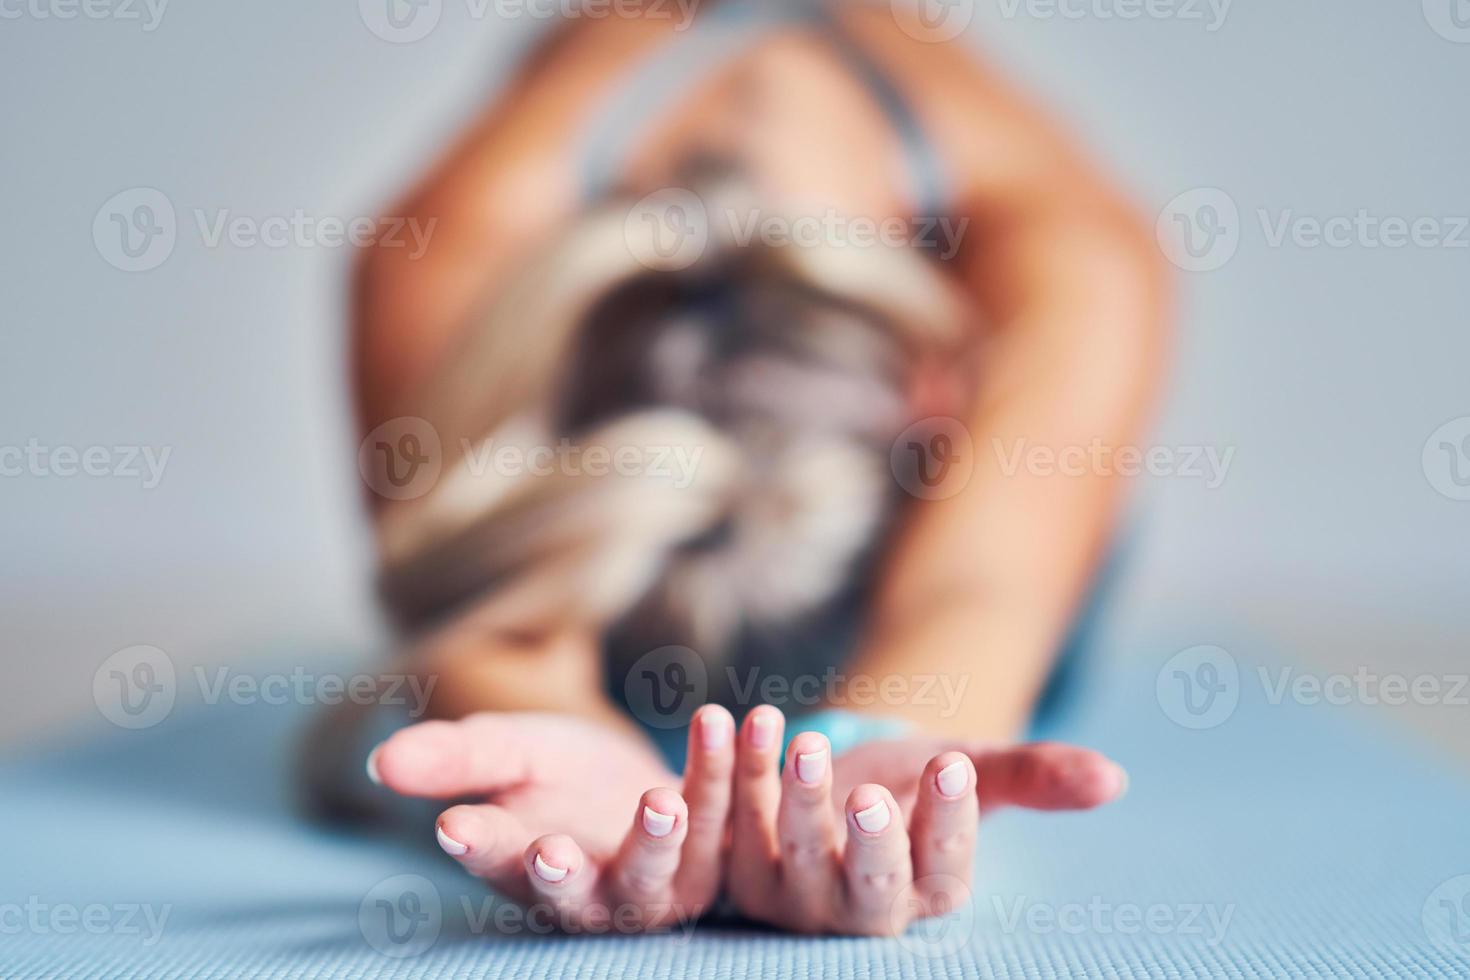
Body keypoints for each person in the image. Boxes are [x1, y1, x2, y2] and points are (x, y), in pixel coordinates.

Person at [340, 0, 1167, 936]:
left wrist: (871, 742)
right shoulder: (439, 257)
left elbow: (981, 589)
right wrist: (557, 721)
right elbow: (482, 606)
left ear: (939, 412)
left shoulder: (1079, 261)